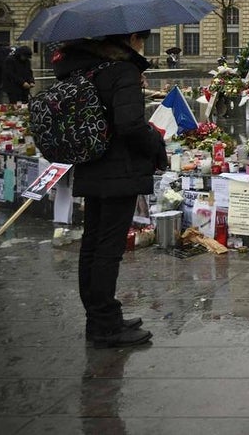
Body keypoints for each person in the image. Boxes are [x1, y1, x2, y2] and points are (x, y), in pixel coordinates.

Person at [51, 30, 169, 348]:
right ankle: (107, 326)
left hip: (91, 165)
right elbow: (129, 125)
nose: (142, 46)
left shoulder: (84, 69)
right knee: (108, 249)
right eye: (141, 40)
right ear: (129, 39)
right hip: (119, 170)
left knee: (92, 243)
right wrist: (156, 141)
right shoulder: (121, 71)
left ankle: (99, 318)